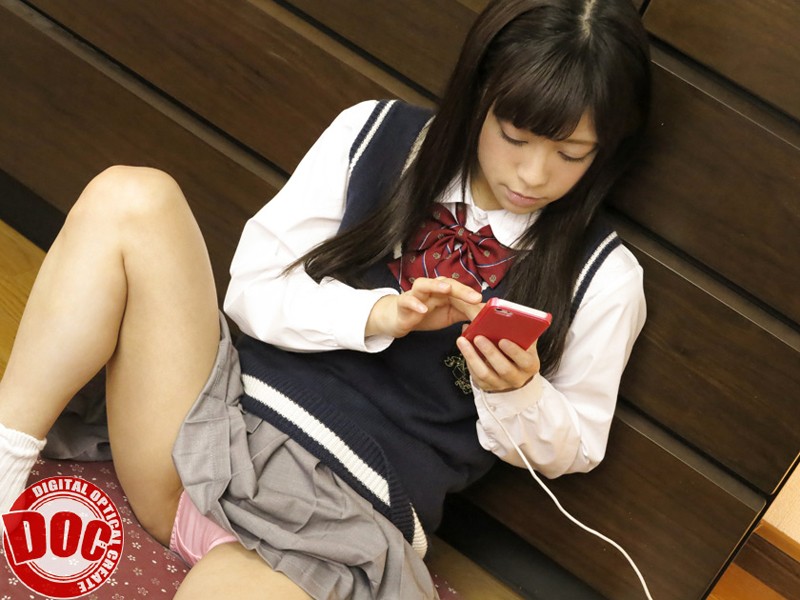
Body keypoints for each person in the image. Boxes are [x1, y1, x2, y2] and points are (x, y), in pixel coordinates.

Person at [0, 0, 651, 597]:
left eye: (571, 154)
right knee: (132, 197)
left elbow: (576, 447)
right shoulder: (375, 134)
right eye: (515, 137)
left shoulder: (605, 277)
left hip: (339, 524)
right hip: (210, 431)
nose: (534, 174)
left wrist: (517, 392)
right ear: (480, 95)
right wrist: (376, 314)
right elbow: (252, 288)